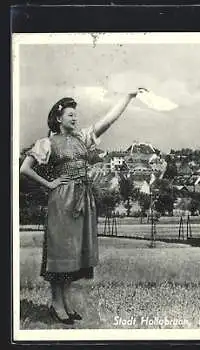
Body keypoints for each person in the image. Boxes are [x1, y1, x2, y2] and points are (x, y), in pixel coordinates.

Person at [20, 90, 141, 325]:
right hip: (62, 201)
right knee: (60, 252)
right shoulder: (46, 143)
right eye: (70, 115)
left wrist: (128, 97)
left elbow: (109, 120)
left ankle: (64, 302)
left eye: (76, 115)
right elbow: (24, 168)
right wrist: (49, 184)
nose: (75, 119)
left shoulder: (82, 138)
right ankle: (56, 304)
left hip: (83, 201)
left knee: (74, 254)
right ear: (58, 118)